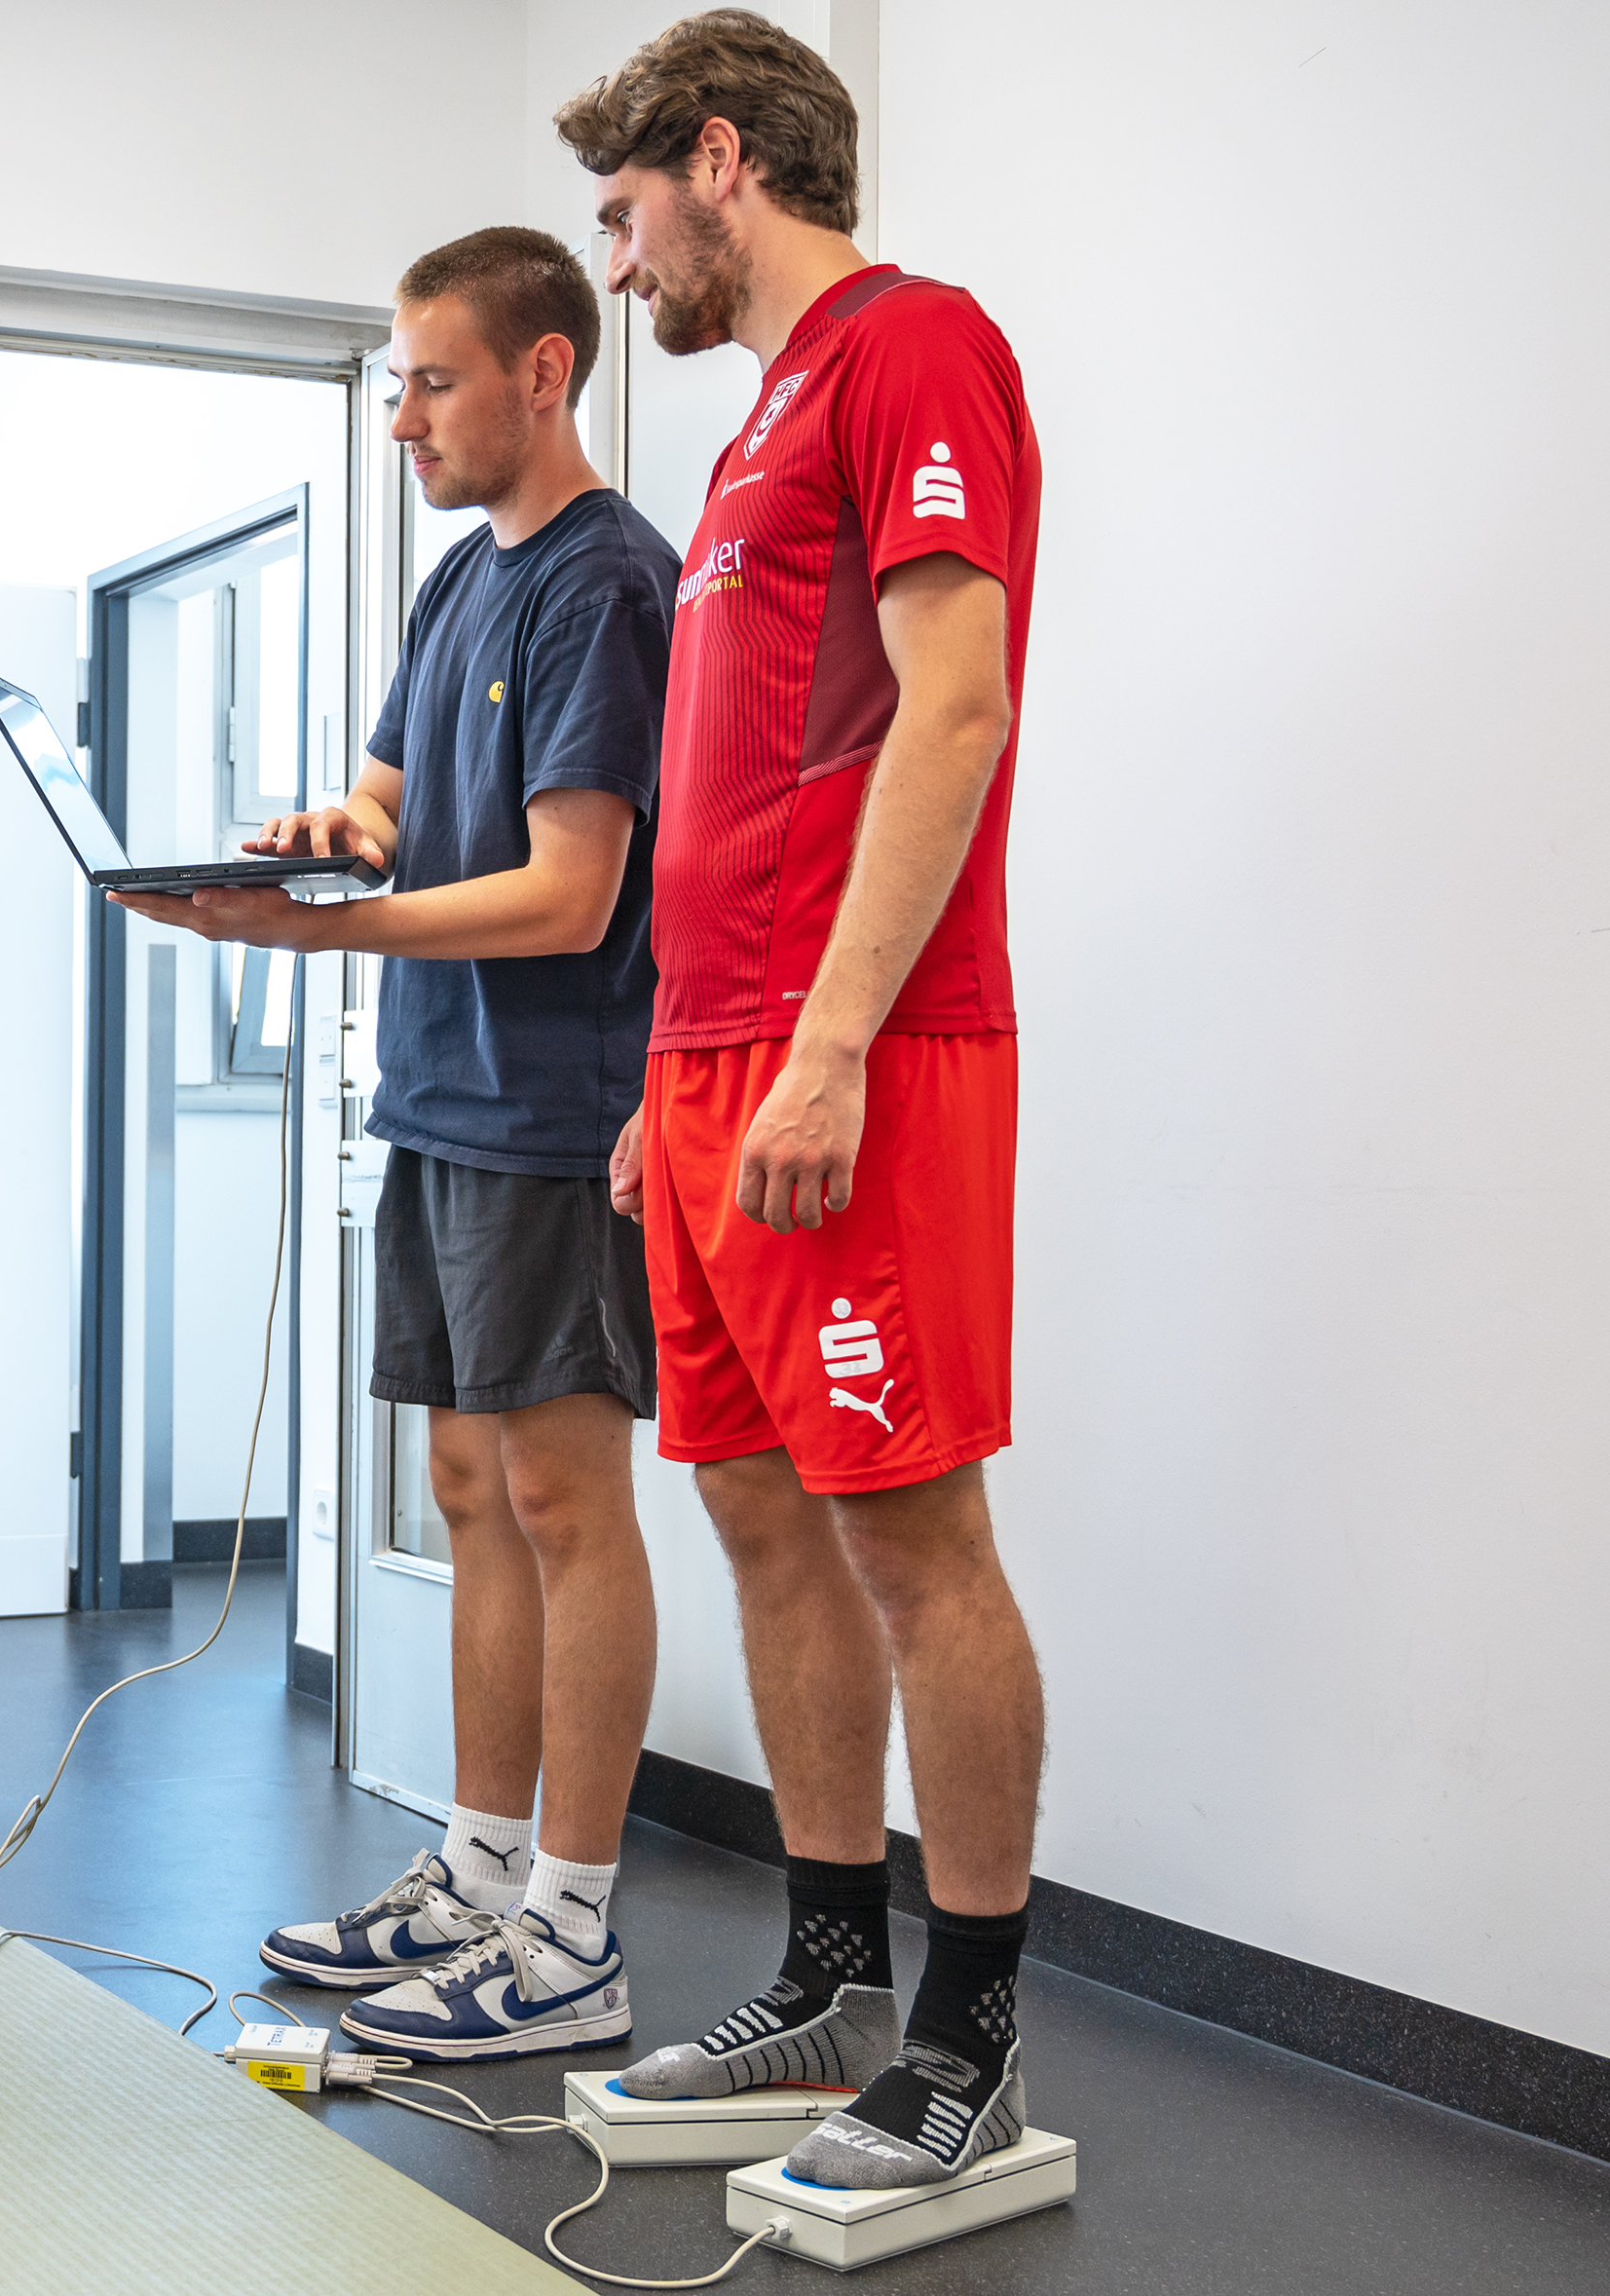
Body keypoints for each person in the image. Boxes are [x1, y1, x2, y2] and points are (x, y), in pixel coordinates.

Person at [561, 12, 1049, 2190]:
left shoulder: (905, 351)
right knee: (756, 1515)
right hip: (703, 1067)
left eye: (623, 206)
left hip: (854, 1055)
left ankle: (963, 2033)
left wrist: (829, 1044)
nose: (616, 252)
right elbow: (739, 779)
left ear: (721, 158)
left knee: (910, 1533)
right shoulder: (751, 432)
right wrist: (666, 1070)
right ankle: (824, 1980)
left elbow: (951, 711)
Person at [111, 227, 677, 2062]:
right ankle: (480, 1867)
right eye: (393, 381)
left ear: (541, 373)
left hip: (553, 1109)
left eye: (430, 381)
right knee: (463, 1493)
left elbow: (574, 892)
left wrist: (326, 935)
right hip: (436, 1100)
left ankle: (573, 1926)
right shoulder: (456, 583)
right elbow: (397, 796)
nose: (399, 417)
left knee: (566, 1498)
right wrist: (330, 833)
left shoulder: (606, 587)